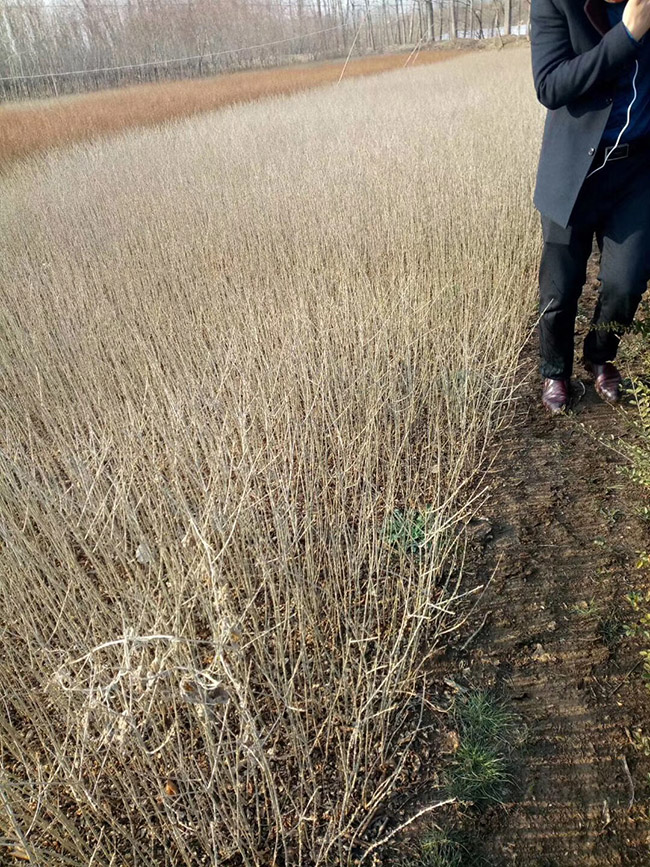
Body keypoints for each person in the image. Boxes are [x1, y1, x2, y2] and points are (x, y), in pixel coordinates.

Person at [530, 0, 650, 414]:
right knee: (560, 290)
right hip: (573, 171)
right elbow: (549, 85)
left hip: (636, 171)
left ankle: (600, 355)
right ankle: (556, 369)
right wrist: (627, 36)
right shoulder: (555, 3)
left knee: (627, 282)